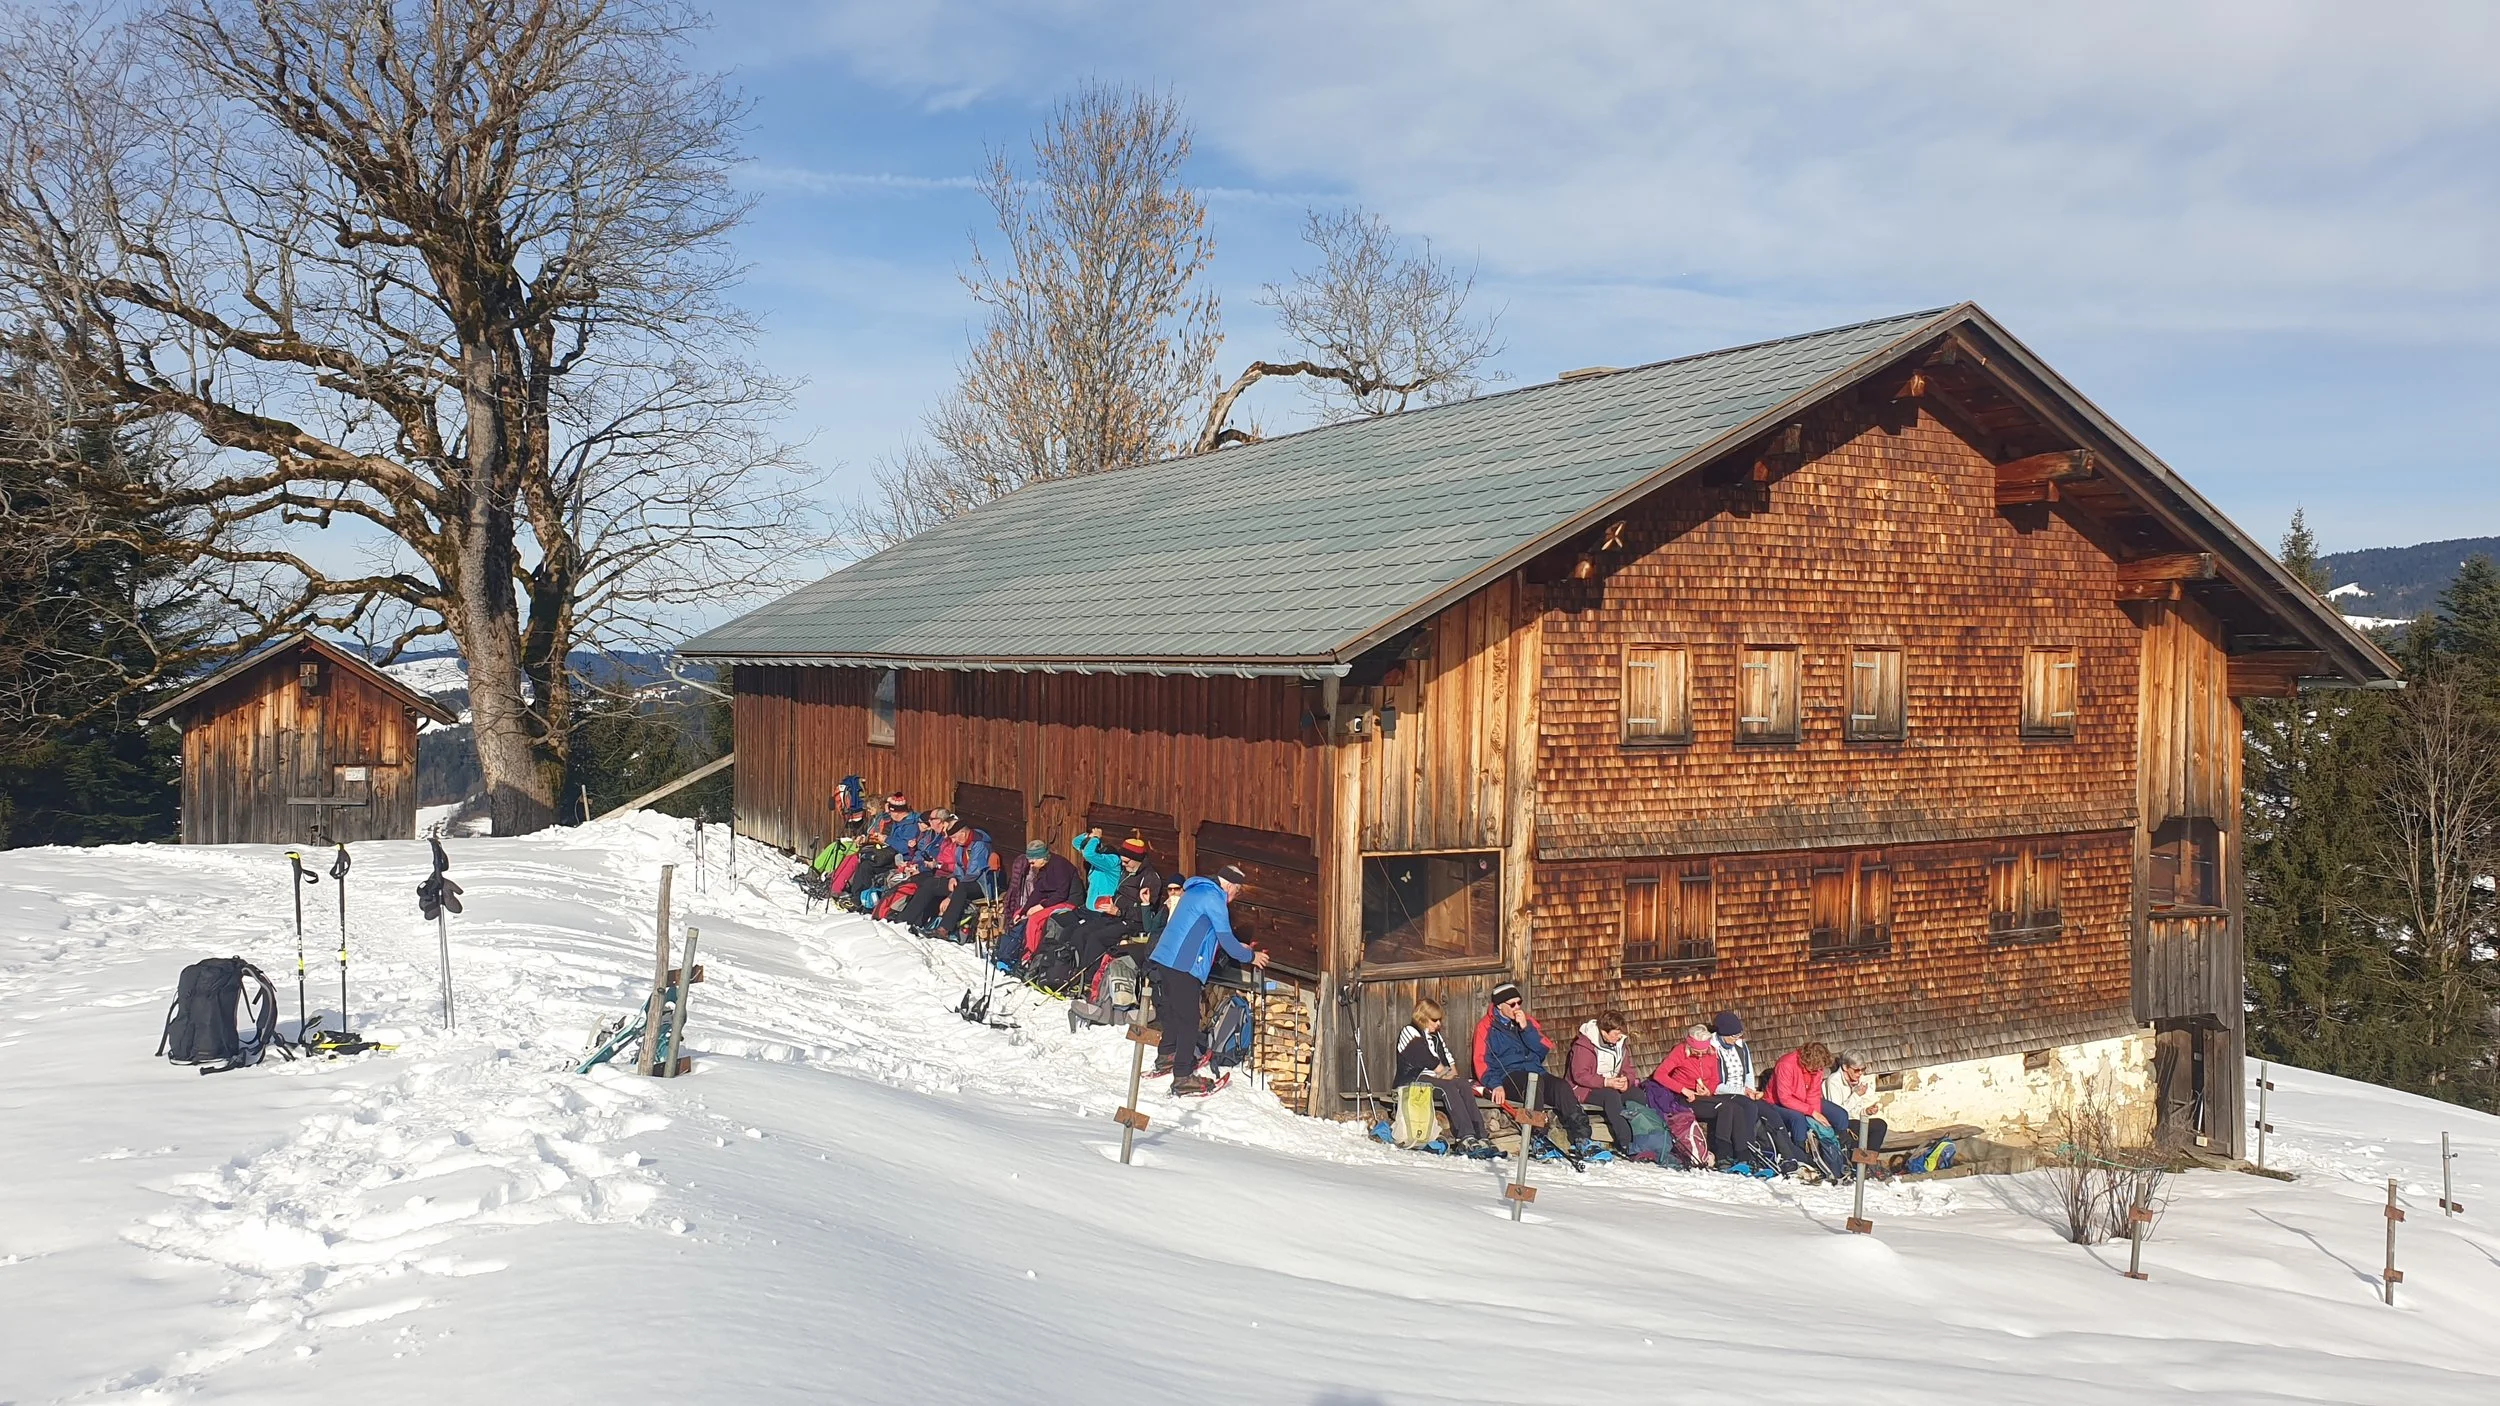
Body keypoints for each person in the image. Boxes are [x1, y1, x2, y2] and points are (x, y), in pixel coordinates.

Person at [1146, 865, 1266, 1094]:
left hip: (1166, 957)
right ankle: (1182, 1076)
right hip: (1183, 964)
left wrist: (1233, 945)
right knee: (1190, 1019)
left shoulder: (1197, 890)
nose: (1233, 898)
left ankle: (1167, 1055)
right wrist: (1251, 956)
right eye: (1237, 892)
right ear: (1230, 885)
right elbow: (1227, 942)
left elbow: (1203, 933)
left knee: (1173, 1011)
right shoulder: (1214, 898)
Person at [1471, 982, 1597, 1157]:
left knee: (1561, 1087)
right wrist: (1495, 1084)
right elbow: (1481, 1061)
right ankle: (1538, 1138)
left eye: (1519, 1003)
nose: (1517, 1008)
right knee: (1533, 1086)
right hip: (1509, 1075)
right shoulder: (1486, 1027)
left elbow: (1543, 1048)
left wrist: (1525, 1029)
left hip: (1535, 1070)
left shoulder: (1527, 1022)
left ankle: (1583, 1138)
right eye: (1512, 1004)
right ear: (1499, 1006)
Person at [1393, 997, 1491, 1156]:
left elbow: (1447, 1057)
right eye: (1435, 1020)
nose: (1439, 1024)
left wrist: (1454, 1075)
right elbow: (1424, 1058)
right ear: (1423, 1017)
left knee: (1463, 1085)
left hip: (1436, 1077)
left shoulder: (1436, 1037)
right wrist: (1445, 1074)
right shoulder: (1409, 1031)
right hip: (1415, 1079)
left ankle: (1481, 1134)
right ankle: (1465, 1136)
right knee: (1448, 1087)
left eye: (1440, 1020)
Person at [1647, 1024, 1751, 1168]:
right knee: (1725, 1108)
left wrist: (1708, 1090)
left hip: (1703, 1095)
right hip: (1683, 1098)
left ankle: (1743, 1155)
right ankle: (1723, 1156)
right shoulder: (1679, 1052)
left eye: (1703, 1051)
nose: (1701, 1055)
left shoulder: (1711, 1053)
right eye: (1697, 1052)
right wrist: (1683, 1089)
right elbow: (1659, 1074)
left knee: (1737, 1108)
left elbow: (1715, 1080)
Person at [1767, 1040, 1846, 1179]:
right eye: (1815, 1068)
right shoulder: (1786, 1064)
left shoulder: (1817, 1067)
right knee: (1798, 1119)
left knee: (1840, 1115)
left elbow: (1814, 1093)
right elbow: (1784, 1098)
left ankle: (1840, 1154)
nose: (1818, 1071)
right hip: (1777, 1103)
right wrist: (1811, 1112)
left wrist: (1816, 1116)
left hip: (1804, 1101)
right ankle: (1803, 1157)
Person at [999, 840, 1080, 968]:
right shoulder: (1042, 868)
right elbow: (1038, 892)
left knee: (1035, 920)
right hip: (1054, 900)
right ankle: (1015, 951)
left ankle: (1030, 956)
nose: (1031, 865)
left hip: (1069, 902)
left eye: (1033, 861)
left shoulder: (1060, 866)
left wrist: (1041, 906)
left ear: (1042, 857)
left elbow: (1062, 894)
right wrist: (1023, 910)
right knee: (1023, 915)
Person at [1567, 1011, 1640, 1153]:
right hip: (1584, 1088)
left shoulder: (1620, 1044)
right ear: (1603, 1032)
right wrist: (1606, 1082)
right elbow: (1580, 1075)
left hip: (1612, 1084)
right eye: (1615, 1034)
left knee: (1637, 1095)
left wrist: (1627, 1080)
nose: (1619, 1037)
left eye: (1620, 1034)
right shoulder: (1584, 1045)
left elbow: (1628, 1068)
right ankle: (1626, 1142)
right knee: (1610, 1096)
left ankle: (1642, 1136)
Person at [1824, 1050, 1887, 1155]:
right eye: (1857, 1070)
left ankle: (1868, 1162)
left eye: (1863, 1069)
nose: (1860, 1073)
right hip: (1840, 1125)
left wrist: (1867, 1111)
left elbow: (1856, 1110)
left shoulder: (1858, 1080)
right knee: (1859, 1132)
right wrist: (1856, 1095)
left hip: (1854, 1120)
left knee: (1880, 1126)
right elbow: (1838, 1114)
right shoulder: (1833, 1082)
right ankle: (1860, 1164)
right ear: (1845, 1067)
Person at [1112, 837, 1163, 932]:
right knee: (1085, 931)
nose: (1123, 864)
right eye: (1121, 861)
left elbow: (1145, 910)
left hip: (1134, 922)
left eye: (1126, 861)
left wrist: (1120, 912)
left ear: (1137, 859)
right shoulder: (1127, 871)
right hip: (1116, 916)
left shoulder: (1150, 877)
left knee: (1097, 937)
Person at [1071, 827, 1123, 907]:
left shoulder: (1109, 862)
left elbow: (1088, 854)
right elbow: (1075, 842)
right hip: (1091, 906)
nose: (1084, 856)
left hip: (1103, 910)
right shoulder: (1097, 860)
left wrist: (1096, 838)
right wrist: (1089, 835)